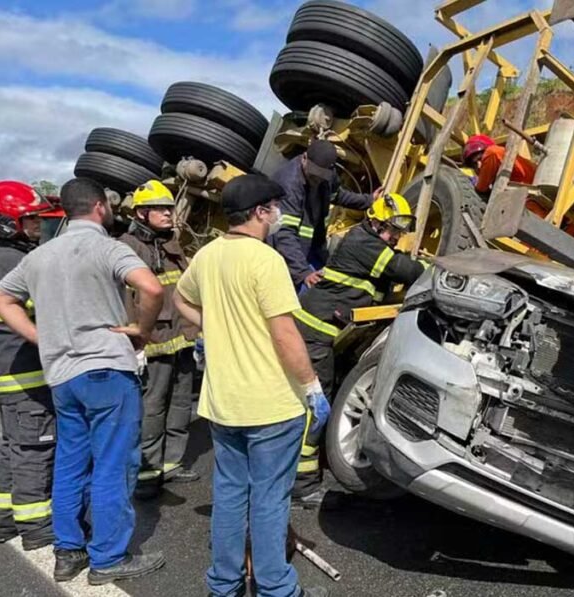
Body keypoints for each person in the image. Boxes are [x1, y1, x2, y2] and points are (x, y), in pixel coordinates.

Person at [0, 178, 166, 585]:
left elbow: (3, 299)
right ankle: (108, 557)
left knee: (71, 461)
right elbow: (151, 287)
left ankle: (68, 551)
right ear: (97, 207)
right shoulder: (108, 247)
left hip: (62, 376)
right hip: (107, 370)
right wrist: (141, 329)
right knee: (112, 463)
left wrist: (41, 337)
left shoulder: (39, 256)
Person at [173, 174, 329, 597]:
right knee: (269, 500)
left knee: (229, 496)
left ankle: (223, 585)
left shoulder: (206, 257)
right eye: (275, 207)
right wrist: (312, 385)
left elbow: (179, 300)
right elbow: (285, 333)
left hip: (224, 404)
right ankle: (276, 586)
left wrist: (211, 326)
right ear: (260, 212)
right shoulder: (266, 260)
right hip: (272, 406)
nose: (279, 214)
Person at [290, 192, 425, 506]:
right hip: (314, 332)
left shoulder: (369, 241)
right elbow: (408, 271)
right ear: (375, 223)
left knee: (313, 401)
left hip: (319, 331)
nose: (396, 237)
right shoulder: (365, 245)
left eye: (400, 232)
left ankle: (302, 473)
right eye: (392, 230)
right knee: (316, 404)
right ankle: (302, 485)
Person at [120, 181, 200, 500]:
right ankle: (147, 470)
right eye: (161, 209)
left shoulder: (171, 243)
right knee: (152, 406)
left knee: (181, 401)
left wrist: (197, 333)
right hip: (151, 340)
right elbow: (126, 299)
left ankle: (172, 463)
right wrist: (133, 341)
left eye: (170, 208)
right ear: (142, 213)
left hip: (180, 337)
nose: (169, 214)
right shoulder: (128, 247)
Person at [0, 181, 57, 551]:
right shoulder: (14, 262)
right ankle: (36, 526)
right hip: (22, 372)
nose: (37, 226)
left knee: (9, 446)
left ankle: (5, 519)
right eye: (31, 220)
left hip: (5, 371)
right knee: (34, 447)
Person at [270, 139, 376, 288]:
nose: (316, 181)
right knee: (306, 295)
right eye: (313, 176)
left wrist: (369, 200)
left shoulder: (326, 175)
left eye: (321, 178)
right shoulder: (289, 185)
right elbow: (285, 234)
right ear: (304, 158)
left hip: (312, 248)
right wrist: (303, 273)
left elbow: (337, 196)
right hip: (287, 256)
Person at [462, 134, 537, 195]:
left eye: (480, 158)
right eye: (474, 165)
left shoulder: (492, 153)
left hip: (532, 202)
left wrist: (478, 188)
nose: (478, 166)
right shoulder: (501, 174)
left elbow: (492, 153)